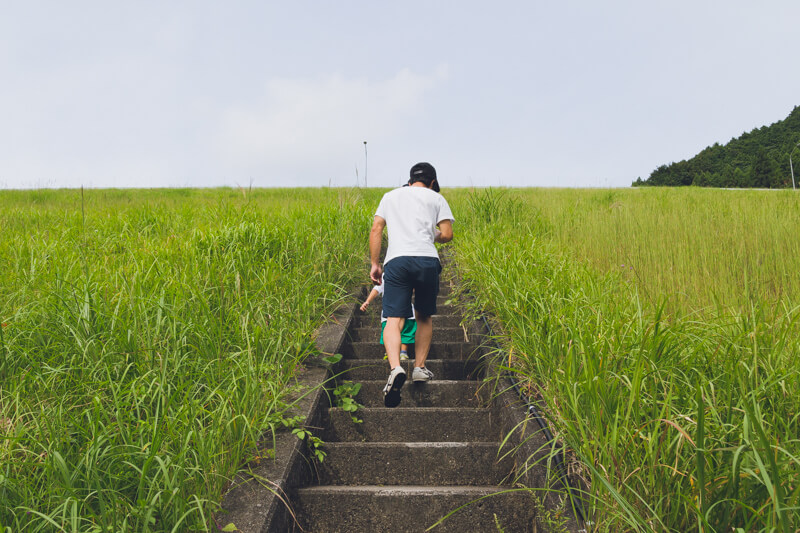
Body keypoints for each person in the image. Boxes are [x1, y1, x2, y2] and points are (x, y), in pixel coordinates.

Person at [369, 162, 454, 407]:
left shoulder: (390, 196)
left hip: (397, 260)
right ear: (431, 182)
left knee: (394, 318)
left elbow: (376, 228)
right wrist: (431, 234)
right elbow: (447, 234)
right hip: (427, 260)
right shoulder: (435, 198)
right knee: (424, 316)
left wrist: (375, 264)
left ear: (409, 180)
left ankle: (395, 368)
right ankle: (419, 367)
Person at [360, 276, 416, 360]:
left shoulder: (408, 270)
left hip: (405, 309)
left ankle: (403, 352)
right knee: (389, 331)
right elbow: (377, 288)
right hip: (389, 311)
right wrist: (367, 301)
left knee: (406, 331)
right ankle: (390, 351)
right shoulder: (386, 274)